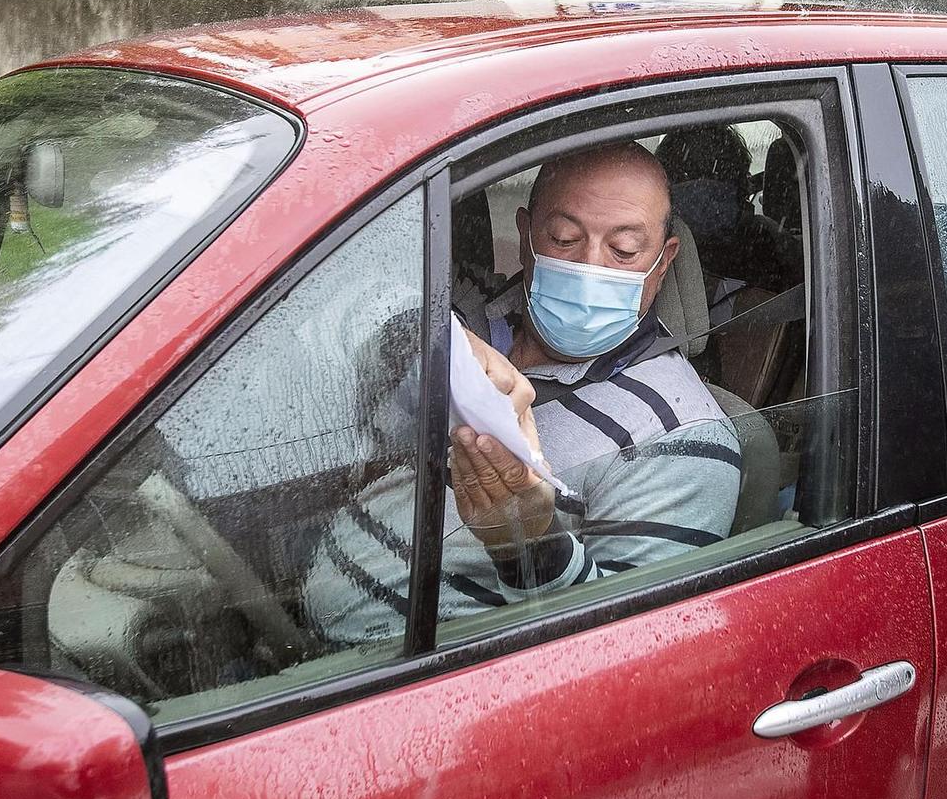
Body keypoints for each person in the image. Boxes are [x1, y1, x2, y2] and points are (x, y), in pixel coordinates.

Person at [306, 141, 742, 638]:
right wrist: (426, 336)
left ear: (662, 262)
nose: (590, 266)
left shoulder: (680, 436)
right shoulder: (476, 306)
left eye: (623, 250)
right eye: (562, 239)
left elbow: (625, 647)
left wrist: (527, 541)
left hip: (408, 682)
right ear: (525, 235)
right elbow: (336, 295)